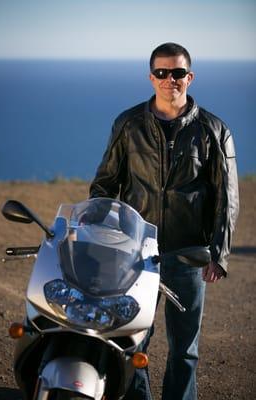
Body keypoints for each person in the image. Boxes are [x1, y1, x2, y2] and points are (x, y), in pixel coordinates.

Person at [89, 42, 239, 400]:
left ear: (190, 77)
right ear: (151, 77)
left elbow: (227, 196)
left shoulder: (213, 130)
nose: (169, 80)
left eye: (177, 73)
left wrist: (219, 252)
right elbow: (105, 184)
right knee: (131, 340)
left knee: (185, 349)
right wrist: (101, 230)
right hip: (136, 254)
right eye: (162, 73)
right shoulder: (128, 124)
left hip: (189, 254)